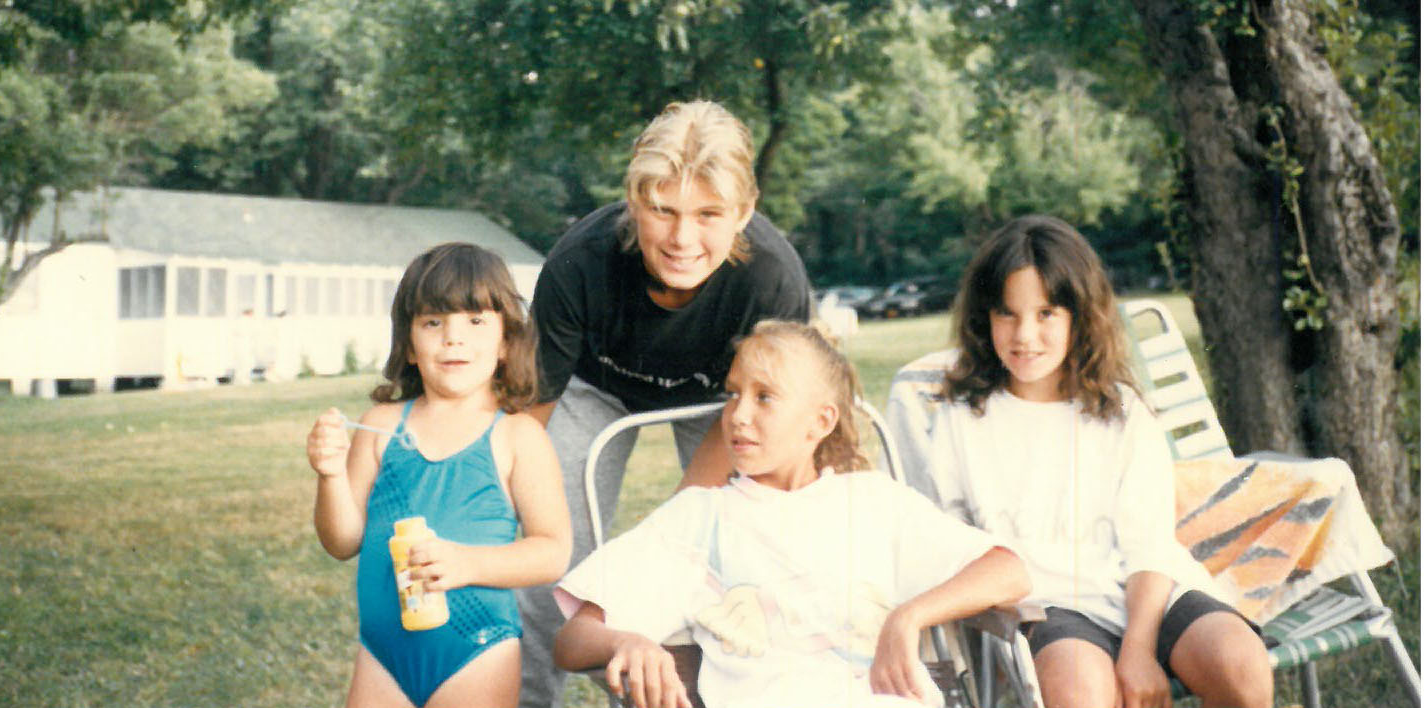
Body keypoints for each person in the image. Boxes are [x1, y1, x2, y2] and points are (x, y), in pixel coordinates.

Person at [892, 215, 1271, 708]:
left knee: (1241, 664)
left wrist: (1138, 649)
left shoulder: (1121, 412)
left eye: (1046, 313)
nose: (1024, 335)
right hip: (1052, 603)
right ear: (984, 317)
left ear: (1079, 316)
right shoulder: (963, 420)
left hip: (1148, 591)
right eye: (1007, 313)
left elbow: (1149, 545)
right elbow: (949, 540)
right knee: (1081, 692)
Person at [552, 320, 1030, 708]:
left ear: (820, 421)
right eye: (733, 393)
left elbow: (1008, 571)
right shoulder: (700, 519)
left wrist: (908, 617)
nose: (738, 416)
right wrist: (626, 643)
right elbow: (573, 640)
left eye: (764, 397)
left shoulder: (872, 503)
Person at [519, 100, 811, 708]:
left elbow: (763, 416)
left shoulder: (773, 280)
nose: (682, 238)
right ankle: (523, 698)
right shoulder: (579, 261)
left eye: (709, 214)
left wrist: (670, 537)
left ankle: (713, 688)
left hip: (724, 399)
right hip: (594, 384)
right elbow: (527, 421)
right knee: (544, 546)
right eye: (663, 210)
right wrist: (514, 509)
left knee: (733, 542)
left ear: (745, 211)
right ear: (633, 200)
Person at [306, 243, 572, 708]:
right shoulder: (382, 425)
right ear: (409, 344)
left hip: (477, 651)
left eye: (475, 321)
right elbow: (342, 541)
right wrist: (329, 475)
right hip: (382, 655)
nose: (453, 338)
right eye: (433, 322)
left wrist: (467, 564)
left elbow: (552, 552)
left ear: (507, 342)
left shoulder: (517, 436)